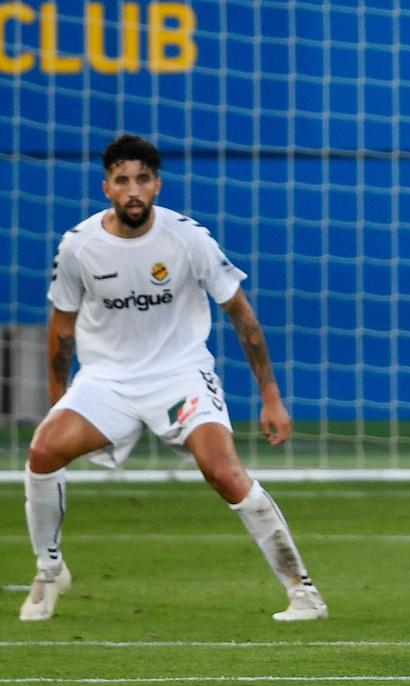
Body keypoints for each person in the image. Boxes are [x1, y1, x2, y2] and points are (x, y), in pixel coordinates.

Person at [20, 134, 327, 622]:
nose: (133, 190)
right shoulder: (79, 247)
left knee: (224, 472)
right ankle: (50, 569)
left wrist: (271, 397)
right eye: (123, 180)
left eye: (142, 179)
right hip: (109, 382)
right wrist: (61, 402)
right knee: (42, 452)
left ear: (158, 185)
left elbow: (241, 316)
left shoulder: (188, 239)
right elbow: (61, 330)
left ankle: (303, 591)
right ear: (107, 188)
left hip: (180, 376)